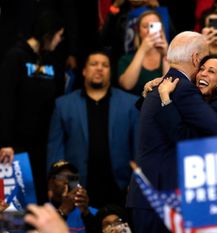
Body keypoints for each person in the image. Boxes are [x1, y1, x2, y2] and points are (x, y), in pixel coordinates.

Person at [126, 31, 217, 233]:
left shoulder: (166, 86)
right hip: (161, 199)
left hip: (148, 197)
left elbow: (183, 133)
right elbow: (216, 128)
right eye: (204, 62)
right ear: (195, 58)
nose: (203, 71)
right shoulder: (181, 89)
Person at [47, 50, 139, 208]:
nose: (99, 68)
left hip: (119, 188)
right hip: (77, 188)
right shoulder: (63, 105)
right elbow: (55, 149)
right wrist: (56, 184)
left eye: (105, 65)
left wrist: (136, 182)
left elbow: (138, 147)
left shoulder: (130, 104)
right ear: (84, 71)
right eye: (94, 64)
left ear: (111, 71)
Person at [0, 10, 65, 203]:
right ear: (49, 33)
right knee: (16, 209)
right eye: (59, 35)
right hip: (16, 145)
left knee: (40, 200)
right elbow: (6, 100)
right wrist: (5, 142)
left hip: (44, 143)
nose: (60, 40)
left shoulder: (50, 59)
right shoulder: (16, 56)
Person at [118, 10, 169, 97]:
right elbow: (127, 85)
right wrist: (142, 50)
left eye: (154, 26)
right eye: (146, 26)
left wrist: (166, 55)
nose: (150, 30)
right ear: (139, 32)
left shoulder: (171, 57)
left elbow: (169, 88)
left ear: (162, 29)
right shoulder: (126, 59)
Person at [47, 160, 97, 233]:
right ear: (50, 183)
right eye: (62, 177)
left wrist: (86, 214)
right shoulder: (41, 213)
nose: (67, 181)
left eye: (72, 178)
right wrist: (63, 211)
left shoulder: (91, 212)